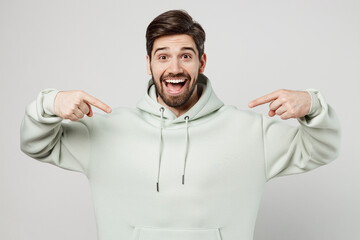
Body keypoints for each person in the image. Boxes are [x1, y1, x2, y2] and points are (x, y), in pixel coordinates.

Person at [20, 9, 341, 240]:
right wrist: (51, 103)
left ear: (202, 61)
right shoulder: (104, 131)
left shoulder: (251, 132)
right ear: (148, 64)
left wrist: (312, 105)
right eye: (162, 56)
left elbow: (322, 149)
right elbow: (36, 144)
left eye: (186, 55)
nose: (174, 68)